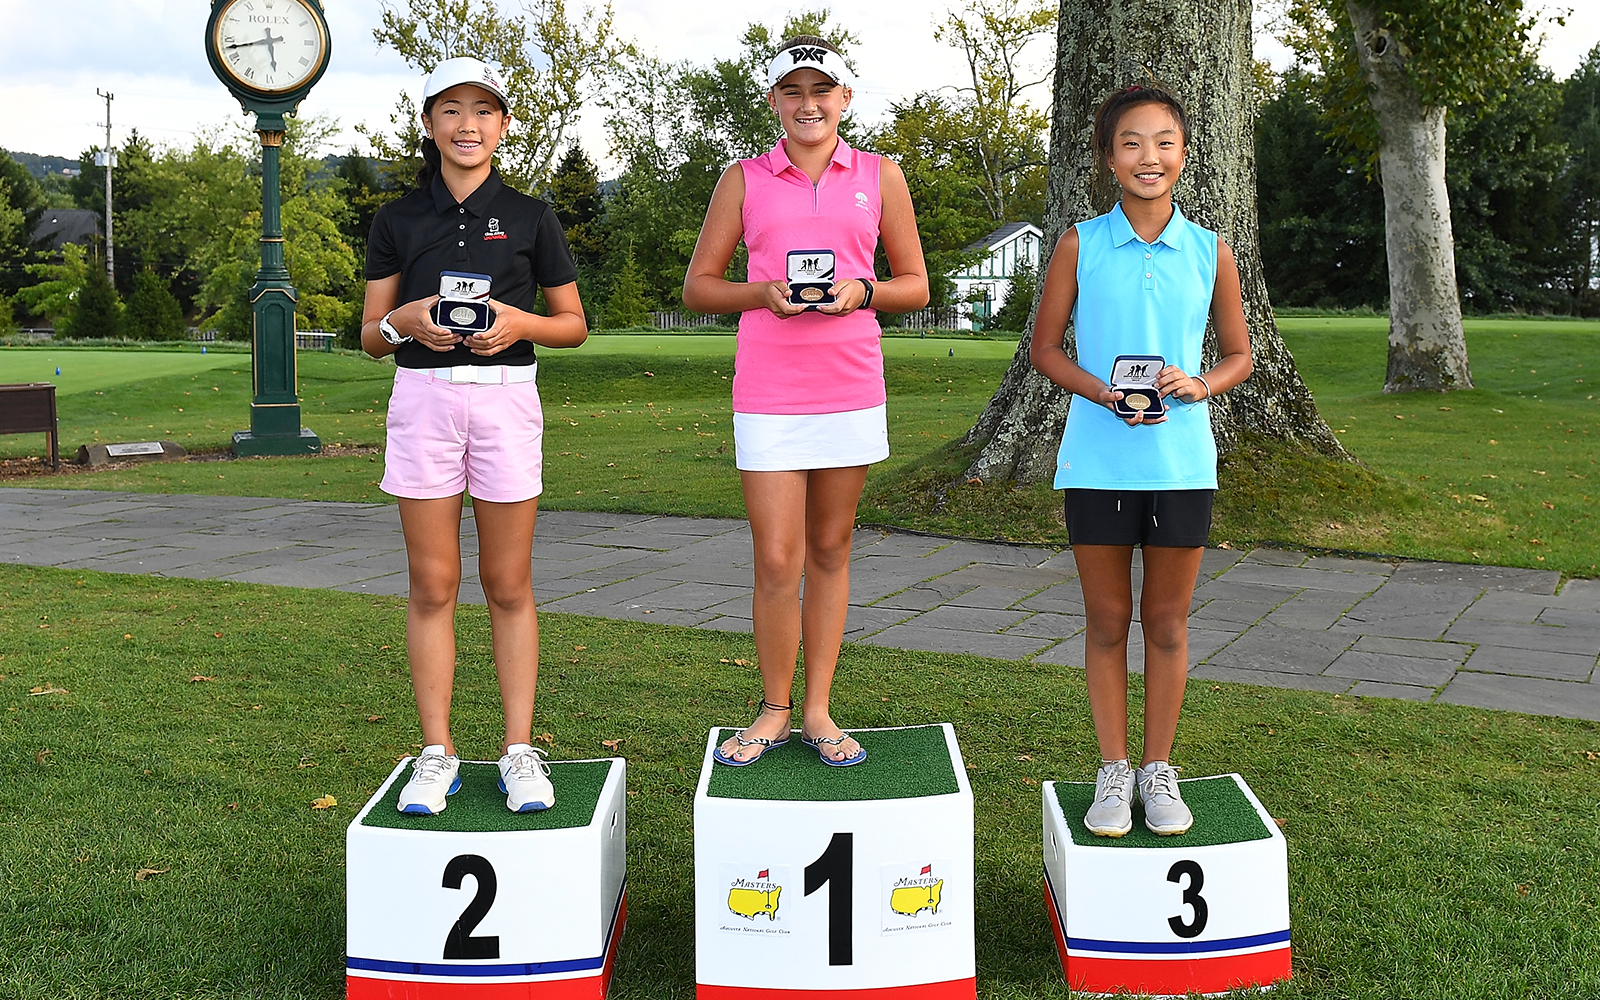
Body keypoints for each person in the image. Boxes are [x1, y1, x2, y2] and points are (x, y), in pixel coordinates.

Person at [682, 36, 929, 768]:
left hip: (850, 386)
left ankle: (818, 710)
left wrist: (866, 290)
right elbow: (699, 287)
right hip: (769, 391)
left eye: (823, 90)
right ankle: (774, 710)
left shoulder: (881, 176)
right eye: (794, 91)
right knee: (777, 556)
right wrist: (760, 294)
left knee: (830, 549)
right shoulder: (743, 179)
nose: (809, 103)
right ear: (774, 103)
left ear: (845, 100)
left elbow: (915, 284)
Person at [360, 57, 588, 814]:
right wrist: (405, 322)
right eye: (451, 110)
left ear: (503, 125)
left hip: (506, 401)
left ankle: (518, 750)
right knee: (433, 583)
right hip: (422, 398)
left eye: (483, 111)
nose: (467, 124)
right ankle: (438, 752)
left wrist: (521, 325)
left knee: (508, 584)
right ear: (428, 123)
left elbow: (573, 325)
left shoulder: (530, 215)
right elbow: (369, 334)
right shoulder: (397, 218)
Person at [1029, 84, 1252, 836]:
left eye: (1162, 141)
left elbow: (1240, 355)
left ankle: (1159, 771)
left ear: (1184, 154)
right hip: (1096, 462)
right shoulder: (1079, 243)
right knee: (1105, 620)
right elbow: (1046, 349)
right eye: (1130, 142)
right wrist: (1100, 392)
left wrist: (1201, 383)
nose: (1147, 156)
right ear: (1107, 157)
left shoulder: (1210, 249)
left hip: (1182, 465)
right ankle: (1113, 770)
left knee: (1166, 622)